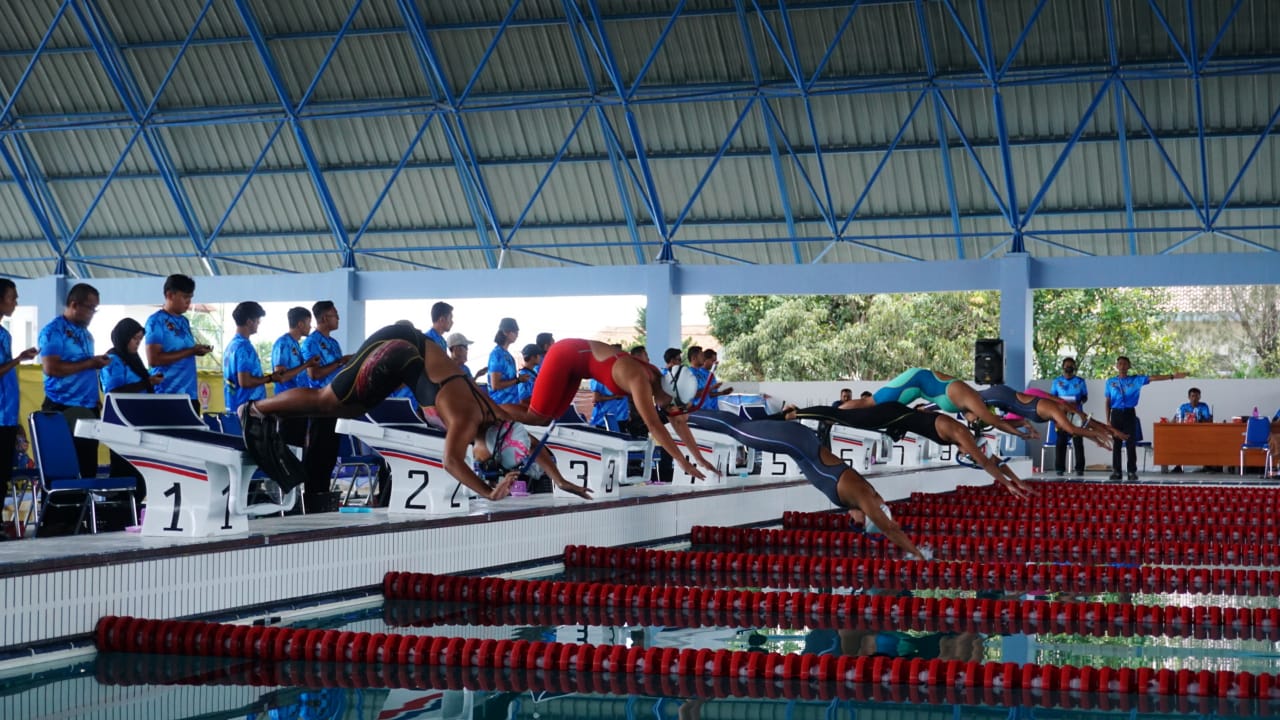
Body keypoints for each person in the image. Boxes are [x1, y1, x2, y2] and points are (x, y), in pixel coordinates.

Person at [240, 323, 519, 501]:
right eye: (492, 460)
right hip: (398, 346)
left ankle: (273, 414)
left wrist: (561, 480)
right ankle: (255, 409)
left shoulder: (493, 414)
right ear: (492, 445)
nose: (485, 463)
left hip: (401, 350)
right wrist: (487, 491)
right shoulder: (469, 419)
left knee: (348, 407)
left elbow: (535, 423)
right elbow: (452, 461)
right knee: (330, 400)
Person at [686, 409, 930, 558]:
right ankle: (677, 414)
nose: (852, 524)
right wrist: (918, 554)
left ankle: (683, 412)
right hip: (795, 441)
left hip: (797, 444)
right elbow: (890, 529)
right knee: (736, 430)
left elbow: (888, 525)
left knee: (738, 428)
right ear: (868, 518)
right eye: (857, 526)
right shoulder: (864, 496)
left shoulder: (860, 498)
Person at [498, 339, 715, 481]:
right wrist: (681, 461)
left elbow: (678, 421)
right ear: (670, 394)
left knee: (546, 419)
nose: (670, 410)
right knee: (535, 416)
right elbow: (654, 425)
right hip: (565, 355)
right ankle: (487, 410)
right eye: (672, 405)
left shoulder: (661, 381)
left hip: (577, 366)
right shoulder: (640, 379)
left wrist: (700, 459)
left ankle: (491, 413)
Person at [790, 402, 1034, 498]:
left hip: (898, 422)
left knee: (848, 416)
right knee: (845, 416)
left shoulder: (965, 439)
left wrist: (1015, 481)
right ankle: (795, 412)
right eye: (968, 455)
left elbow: (994, 460)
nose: (966, 455)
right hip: (893, 415)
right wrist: (1007, 484)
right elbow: (987, 462)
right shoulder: (962, 435)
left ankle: (806, 414)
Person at [841, 368, 1036, 440]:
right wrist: (1021, 434)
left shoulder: (966, 407)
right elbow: (995, 421)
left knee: (879, 410)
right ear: (981, 411)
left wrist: (1023, 424)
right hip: (913, 381)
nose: (973, 422)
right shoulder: (973, 400)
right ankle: (835, 413)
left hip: (916, 388)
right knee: (872, 402)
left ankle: (838, 416)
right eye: (976, 421)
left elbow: (996, 421)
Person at [39, 283, 111, 479]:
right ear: (74, 305)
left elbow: (85, 369)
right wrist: (89, 363)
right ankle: (58, 510)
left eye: (95, 309)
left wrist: (95, 395)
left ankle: (85, 510)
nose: (92, 314)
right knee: (62, 470)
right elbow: (51, 368)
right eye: (90, 308)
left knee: (87, 469)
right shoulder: (54, 331)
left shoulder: (87, 335)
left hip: (88, 408)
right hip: (62, 407)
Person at [99, 317, 159, 501]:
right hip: (120, 424)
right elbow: (114, 391)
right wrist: (146, 382)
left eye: (140, 340)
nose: (137, 344)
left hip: (139, 423)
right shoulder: (113, 360)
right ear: (124, 338)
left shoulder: (134, 360)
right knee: (123, 471)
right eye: (135, 339)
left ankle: (132, 510)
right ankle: (118, 511)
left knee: (139, 474)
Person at [300, 300, 352, 511]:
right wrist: (340, 362)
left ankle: (325, 496)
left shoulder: (333, 343)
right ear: (323, 318)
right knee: (317, 454)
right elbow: (315, 374)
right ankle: (313, 498)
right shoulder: (311, 343)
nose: (337, 318)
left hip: (335, 403)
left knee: (330, 453)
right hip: (319, 403)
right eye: (334, 315)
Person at [1104, 356, 1186, 480]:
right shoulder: (1110, 382)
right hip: (1115, 414)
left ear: (1129, 366)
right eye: (1120, 364)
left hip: (1129, 413)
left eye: (1125, 364)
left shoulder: (1136, 380)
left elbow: (1153, 378)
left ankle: (1132, 471)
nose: (1122, 366)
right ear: (1116, 366)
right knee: (1117, 444)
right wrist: (1108, 419)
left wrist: (1172, 376)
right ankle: (1117, 472)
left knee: (1131, 443)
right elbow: (1107, 400)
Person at [976, 385, 1122, 450]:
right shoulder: (1056, 408)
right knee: (982, 414)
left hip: (1012, 404)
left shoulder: (1056, 411)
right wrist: (1100, 433)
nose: (1058, 427)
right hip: (1004, 396)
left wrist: (1100, 437)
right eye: (1061, 425)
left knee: (995, 422)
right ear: (1066, 417)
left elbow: (1084, 423)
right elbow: (1073, 428)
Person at [144, 274, 213, 410]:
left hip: (190, 394)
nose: (188, 302)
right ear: (170, 295)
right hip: (167, 394)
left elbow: (184, 351)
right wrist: (191, 351)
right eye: (185, 297)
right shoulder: (155, 321)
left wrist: (197, 351)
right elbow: (154, 359)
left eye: (190, 298)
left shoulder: (184, 321)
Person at [0, 279, 37, 524]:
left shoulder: (4, 333)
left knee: (3, 473)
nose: (16, 302)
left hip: (7, 414)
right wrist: (18, 359)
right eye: (12, 297)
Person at [271, 307, 320, 449]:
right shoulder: (283, 343)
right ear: (300, 324)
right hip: (287, 404)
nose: (310, 327)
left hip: (299, 403)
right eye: (308, 323)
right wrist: (307, 365)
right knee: (288, 447)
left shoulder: (295, 344)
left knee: (299, 446)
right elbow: (280, 376)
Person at [223, 302, 275, 414]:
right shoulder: (244, 347)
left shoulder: (231, 346)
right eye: (257, 321)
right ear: (249, 322)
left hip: (233, 407)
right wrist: (270, 378)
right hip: (247, 410)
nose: (258, 324)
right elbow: (245, 382)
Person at [1049, 357, 1088, 476]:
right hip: (1061, 415)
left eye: (1071, 366)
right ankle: (1060, 469)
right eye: (1066, 365)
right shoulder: (1056, 381)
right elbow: (1051, 398)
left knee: (1078, 442)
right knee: (1061, 441)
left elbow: (1085, 397)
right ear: (1063, 367)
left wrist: (1078, 402)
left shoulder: (1080, 381)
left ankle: (1080, 468)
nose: (1068, 367)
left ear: (1074, 368)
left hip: (1076, 415)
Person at [1171, 387, 1213, 474]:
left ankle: (1207, 465)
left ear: (1199, 397)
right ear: (1189, 397)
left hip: (1201, 433)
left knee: (1209, 441)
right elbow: (1176, 419)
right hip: (1185, 433)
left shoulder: (1204, 406)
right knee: (1177, 442)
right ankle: (1178, 466)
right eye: (1192, 396)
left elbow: (1209, 421)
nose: (1194, 398)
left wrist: (1201, 419)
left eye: (1197, 396)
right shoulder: (1183, 407)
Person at [589, 344, 629, 428]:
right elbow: (596, 398)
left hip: (615, 417)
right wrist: (615, 397)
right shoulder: (598, 375)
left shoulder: (618, 374)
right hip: (601, 420)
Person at [486, 318, 524, 404]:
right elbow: (495, 385)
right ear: (506, 332)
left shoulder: (507, 355)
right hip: (501, 403)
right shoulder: (497, 354)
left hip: (512, 402)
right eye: (515, 332)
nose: (517, 335)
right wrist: (518, 380)